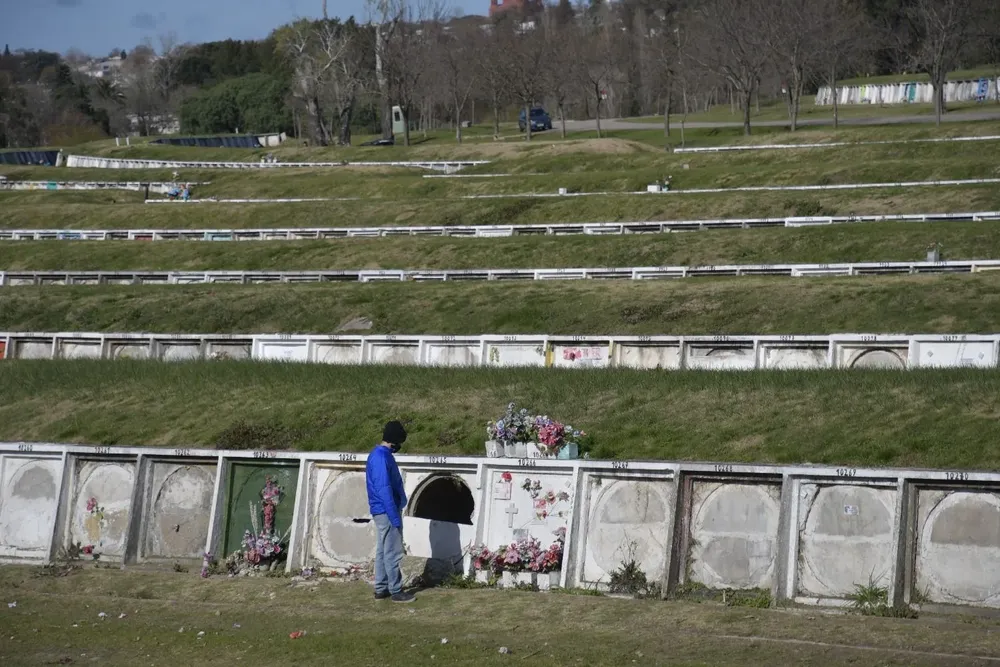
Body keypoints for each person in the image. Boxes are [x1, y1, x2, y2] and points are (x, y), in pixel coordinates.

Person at [366, 420, 415, 603]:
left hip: (382, 510)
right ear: (394, 441)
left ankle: (381, 587)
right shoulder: (381, 457)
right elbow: (384, 488)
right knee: (393, 552)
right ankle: (396, 590)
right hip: (387, 510)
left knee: (382, 550)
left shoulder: (381, 454)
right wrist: (394, 516)